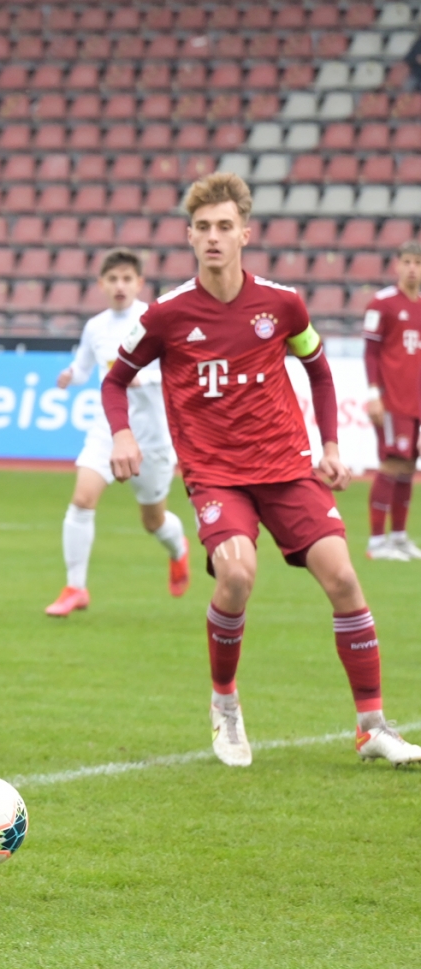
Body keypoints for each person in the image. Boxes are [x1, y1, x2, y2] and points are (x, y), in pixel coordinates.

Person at [101, 172, 421, 767]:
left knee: (345, 579)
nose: (214, 237)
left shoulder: (282, 304)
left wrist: (329, 446)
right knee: (238, 577)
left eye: (225, 226)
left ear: (246, 233)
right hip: (216, 475)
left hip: (287, 468)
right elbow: (115, 380)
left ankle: (372, 727)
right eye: (203, 228)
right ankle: (225, 707)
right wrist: (122, 432)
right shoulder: (166, 315)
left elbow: (320, 369)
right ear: (189, 237)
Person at [44, 247, 190, 616]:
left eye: (127, 279)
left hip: (152, 438)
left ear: (139, 283)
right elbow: (82, 368)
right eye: (113, 279)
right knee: (82, 500)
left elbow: (182, 372)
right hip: (108, 430)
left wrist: (147, 378)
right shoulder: (95, 326)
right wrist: (70, 378)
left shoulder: (157, 320)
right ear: (101, 285)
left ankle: (179, 549)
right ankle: (75, 587)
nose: (120, 286)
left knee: (153, 521)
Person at [360, 240, 421, 560]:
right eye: (408, 262)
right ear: (397, 265)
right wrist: (374, 394)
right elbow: (370, 353)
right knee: (392, 462)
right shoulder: (381, 304)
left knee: (409, 467)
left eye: (418, 263)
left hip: (415, 402)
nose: (413, 268)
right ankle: (375, 542)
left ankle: (398, 536)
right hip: (391, 399)